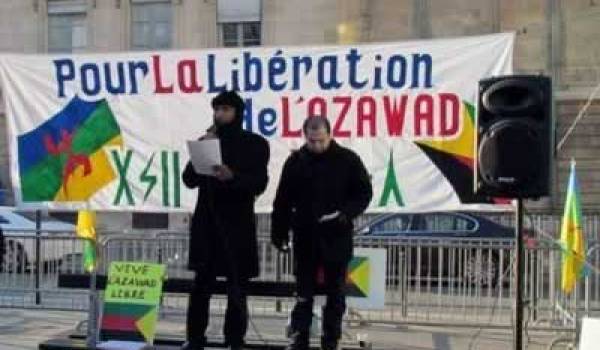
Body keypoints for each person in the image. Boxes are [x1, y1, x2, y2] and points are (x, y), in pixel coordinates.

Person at [271, 116, 373, 350]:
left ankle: (330, 339)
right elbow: (282, 200)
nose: (316, 146)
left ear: (330, 135)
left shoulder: (347, 160)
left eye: (321, 141)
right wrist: (279, 232)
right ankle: (300, 336)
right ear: (305, 137)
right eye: (312, 141)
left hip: (336, 237)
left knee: (335, 294)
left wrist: (344, 214)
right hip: (305, 237)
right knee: (303, 292)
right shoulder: (295, 162)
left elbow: (364, 193)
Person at [182, 90, 270, 350]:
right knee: (201, 286)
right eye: (216, 109)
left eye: (225, 109)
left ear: (237, 113)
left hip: (237, 227)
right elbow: (188, 180)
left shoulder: (254, 143)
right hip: (206, 225)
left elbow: (260, 183)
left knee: (237, 287)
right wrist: (204, 148)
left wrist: (233, 177)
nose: (219, 114)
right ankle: (195, 338)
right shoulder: (207, 140)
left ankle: (235, 340)